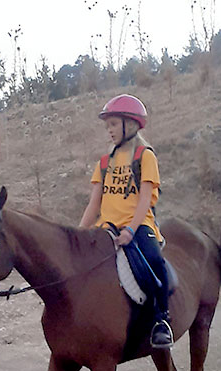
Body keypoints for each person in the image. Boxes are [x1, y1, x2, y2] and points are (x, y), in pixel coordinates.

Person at [80, 94, 173, 349]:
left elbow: (146, 199)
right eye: (107, 125)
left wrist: (132, 229)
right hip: (107, 226)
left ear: (129, 124)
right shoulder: (104, 162)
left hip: (139, 224)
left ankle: (161, 320)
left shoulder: (145, 156)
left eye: (112, 124)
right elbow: (94, 204)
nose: (108, 131)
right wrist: (77, 234)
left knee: (154, 260)